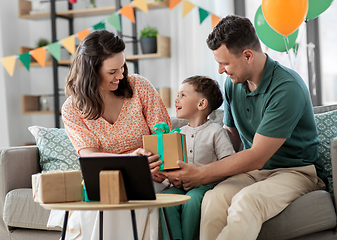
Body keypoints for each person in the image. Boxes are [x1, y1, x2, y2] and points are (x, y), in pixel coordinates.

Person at [165, 15, 327, 240]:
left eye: (225, 63)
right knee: (213, 199)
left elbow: (257, 156)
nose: (221, 70)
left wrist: (201, 174)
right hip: (253, 172)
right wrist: (184, 164)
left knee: (246, 201)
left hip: (295, 171)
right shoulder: (233, 85)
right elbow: (230, 139)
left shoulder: (286, 87)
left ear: (248, 55)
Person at [47, 29, 170, 240]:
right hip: (106, 181)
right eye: (112, 71)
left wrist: (156, 166)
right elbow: (89, 156)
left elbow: (165, 137)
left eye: (122, 67)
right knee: (102, 206)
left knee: (126, 204)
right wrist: (129, 161)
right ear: (91, 71)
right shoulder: (72, 109)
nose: (121, 75)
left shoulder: (139, 87)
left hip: (151, 176)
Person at [160, 75, 235, 240]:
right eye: (178, 95)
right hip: (179, 186)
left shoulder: (216, 132)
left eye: (182, 95)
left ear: (201, 104)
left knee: (192, 201)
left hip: (204, 185)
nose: (176, 99)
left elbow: (228, 163)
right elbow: (171, 165)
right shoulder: (177, 134)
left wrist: (204, 177)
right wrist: (173, 179)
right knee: (164, 201)